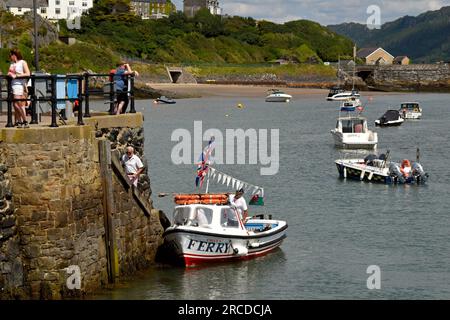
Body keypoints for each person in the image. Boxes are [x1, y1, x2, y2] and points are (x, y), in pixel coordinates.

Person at [7, 49, 30, 128]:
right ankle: (20, 122)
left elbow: (28, 73)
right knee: (15, 104)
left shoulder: (23, 62)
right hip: (12, 85)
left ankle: (25, 120)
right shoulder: (12, 64)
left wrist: (17, 75)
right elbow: (10, 73)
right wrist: (10, 74)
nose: (10, 58)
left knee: (17, 103)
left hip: (19, 85)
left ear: (14, 55)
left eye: (10, 56)